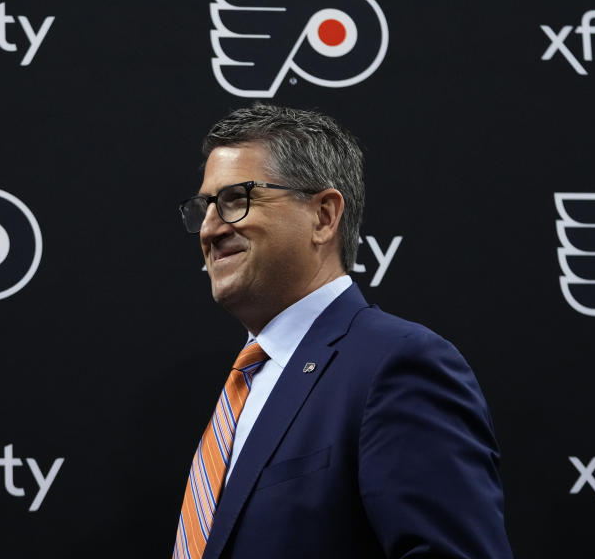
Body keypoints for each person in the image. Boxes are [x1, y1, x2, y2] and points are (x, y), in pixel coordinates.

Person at [173, 103, 512, 559]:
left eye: (236, 199)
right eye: (204, 206)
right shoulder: (242, 389)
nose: (210, 228)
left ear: (324, 216)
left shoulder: (398, 365)